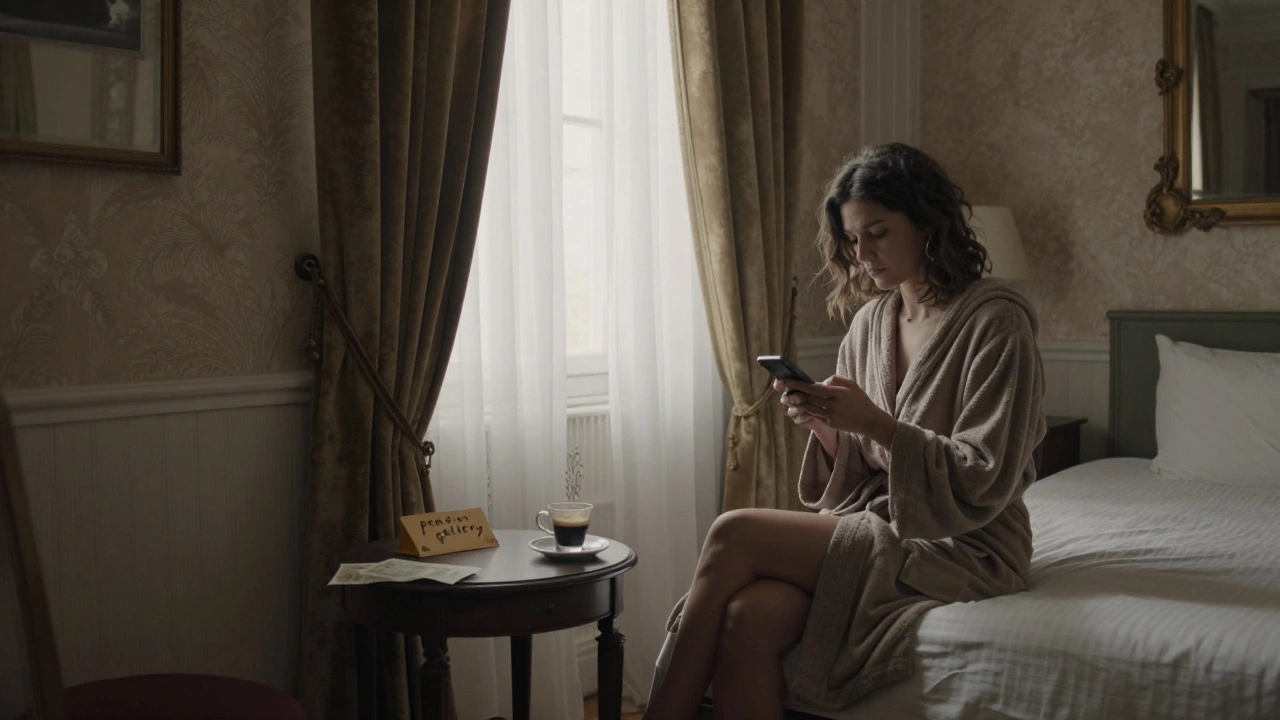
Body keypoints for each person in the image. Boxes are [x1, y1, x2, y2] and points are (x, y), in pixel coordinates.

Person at [642, 143, 1046, 719]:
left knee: (733, 532)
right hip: (879, 521)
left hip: (967, 543)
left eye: (878, 233)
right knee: (746, 619)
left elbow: (985, 474)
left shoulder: (996, 323)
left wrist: (873, 422)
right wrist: (829, 428)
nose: (863, 254)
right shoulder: (870, 322)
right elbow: (863, 464)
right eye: (853, 239)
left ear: (927, 223)